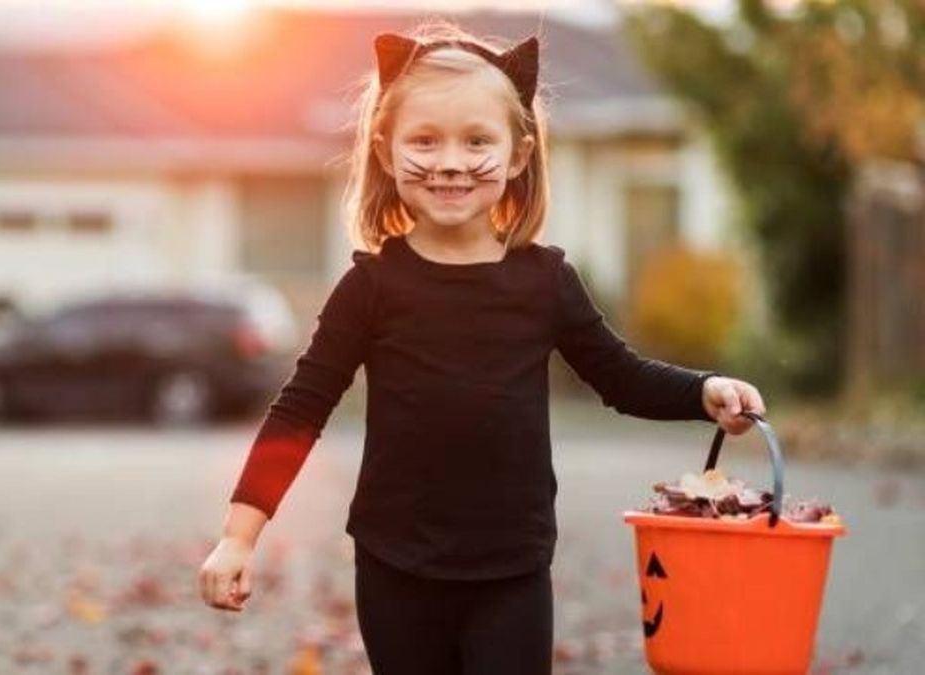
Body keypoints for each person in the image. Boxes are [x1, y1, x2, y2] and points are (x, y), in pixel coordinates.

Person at [197, 21, 766, 674]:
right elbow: (301, 409)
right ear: (385, 149)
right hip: (395, 567)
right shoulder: (371, 287)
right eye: (424, 140)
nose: (449, 162)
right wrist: (238, 538)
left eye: (476, 141)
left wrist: (702, 390)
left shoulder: (545, 282)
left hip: (512, 571)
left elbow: (620, 376)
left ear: (519, 153)